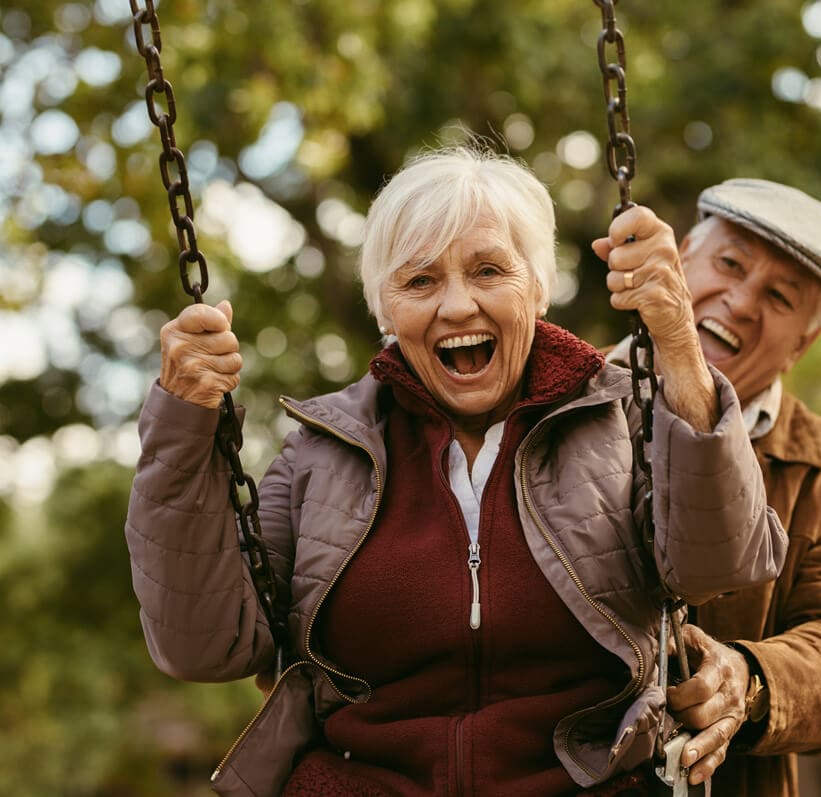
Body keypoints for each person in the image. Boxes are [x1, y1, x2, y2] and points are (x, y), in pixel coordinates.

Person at [124, 148, 787, 796]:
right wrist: (183, 421)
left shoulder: (619, 419)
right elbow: (203, 647)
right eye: (419, 281)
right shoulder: (319, 454)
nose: (457, 306)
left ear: (538, 288)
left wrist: (676, 343)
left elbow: (720, 564)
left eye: (488, 270)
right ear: (386, 309)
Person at [595, 178, 821, 796]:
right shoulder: (557, 395)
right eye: (730, 264)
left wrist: (748, 678)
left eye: (780, 297)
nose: (741, 302)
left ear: (804, 342)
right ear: (680, 256)